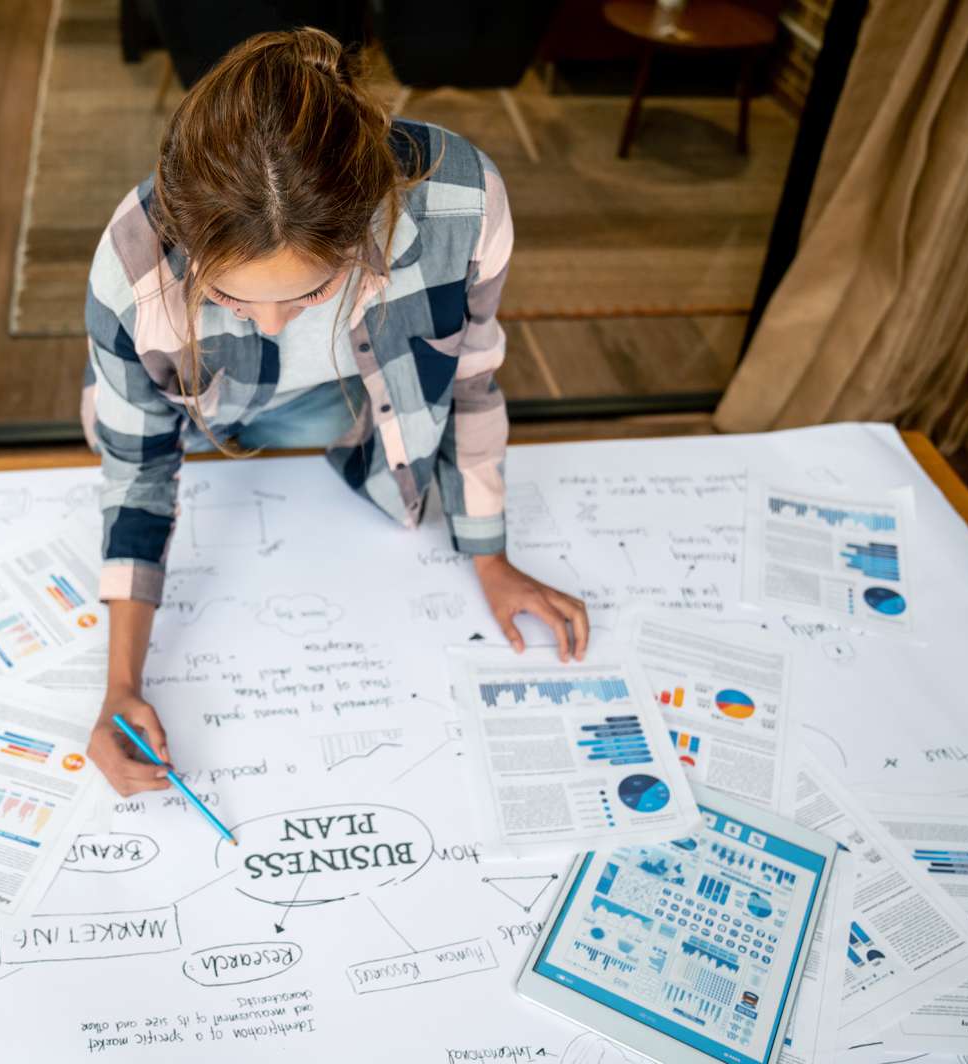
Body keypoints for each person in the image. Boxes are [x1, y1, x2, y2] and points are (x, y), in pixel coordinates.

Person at [80, 27, 588, 797]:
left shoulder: (464, 202)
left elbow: (471, 380)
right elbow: (140, 469)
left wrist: (488, 555)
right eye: (228, 297)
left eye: (312, 293)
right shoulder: (132, 269)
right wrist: (120, 686)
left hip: (353, 412)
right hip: (200, 426)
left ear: (370, 219)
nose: (275, 323)